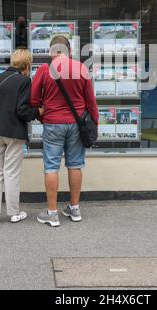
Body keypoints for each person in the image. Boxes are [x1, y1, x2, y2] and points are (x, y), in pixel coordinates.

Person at [30, 35, 99, 227]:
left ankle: (52, 213)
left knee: (51, 166)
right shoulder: (81, 68)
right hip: (77, 124)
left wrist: (43, 117)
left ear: (52, 51)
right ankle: (74, 208)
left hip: (53, 123)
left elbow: (34, 100)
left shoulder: (44, 70)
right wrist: (95, 124)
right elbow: (90, 101)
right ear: (68, 50)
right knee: (75, 165)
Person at [0, 49, 43, 225]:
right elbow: (22, 110)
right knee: (11, 173)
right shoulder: (24, 81)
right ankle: (14, 213)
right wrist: (37, 111)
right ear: (27, 64)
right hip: (14, 133)